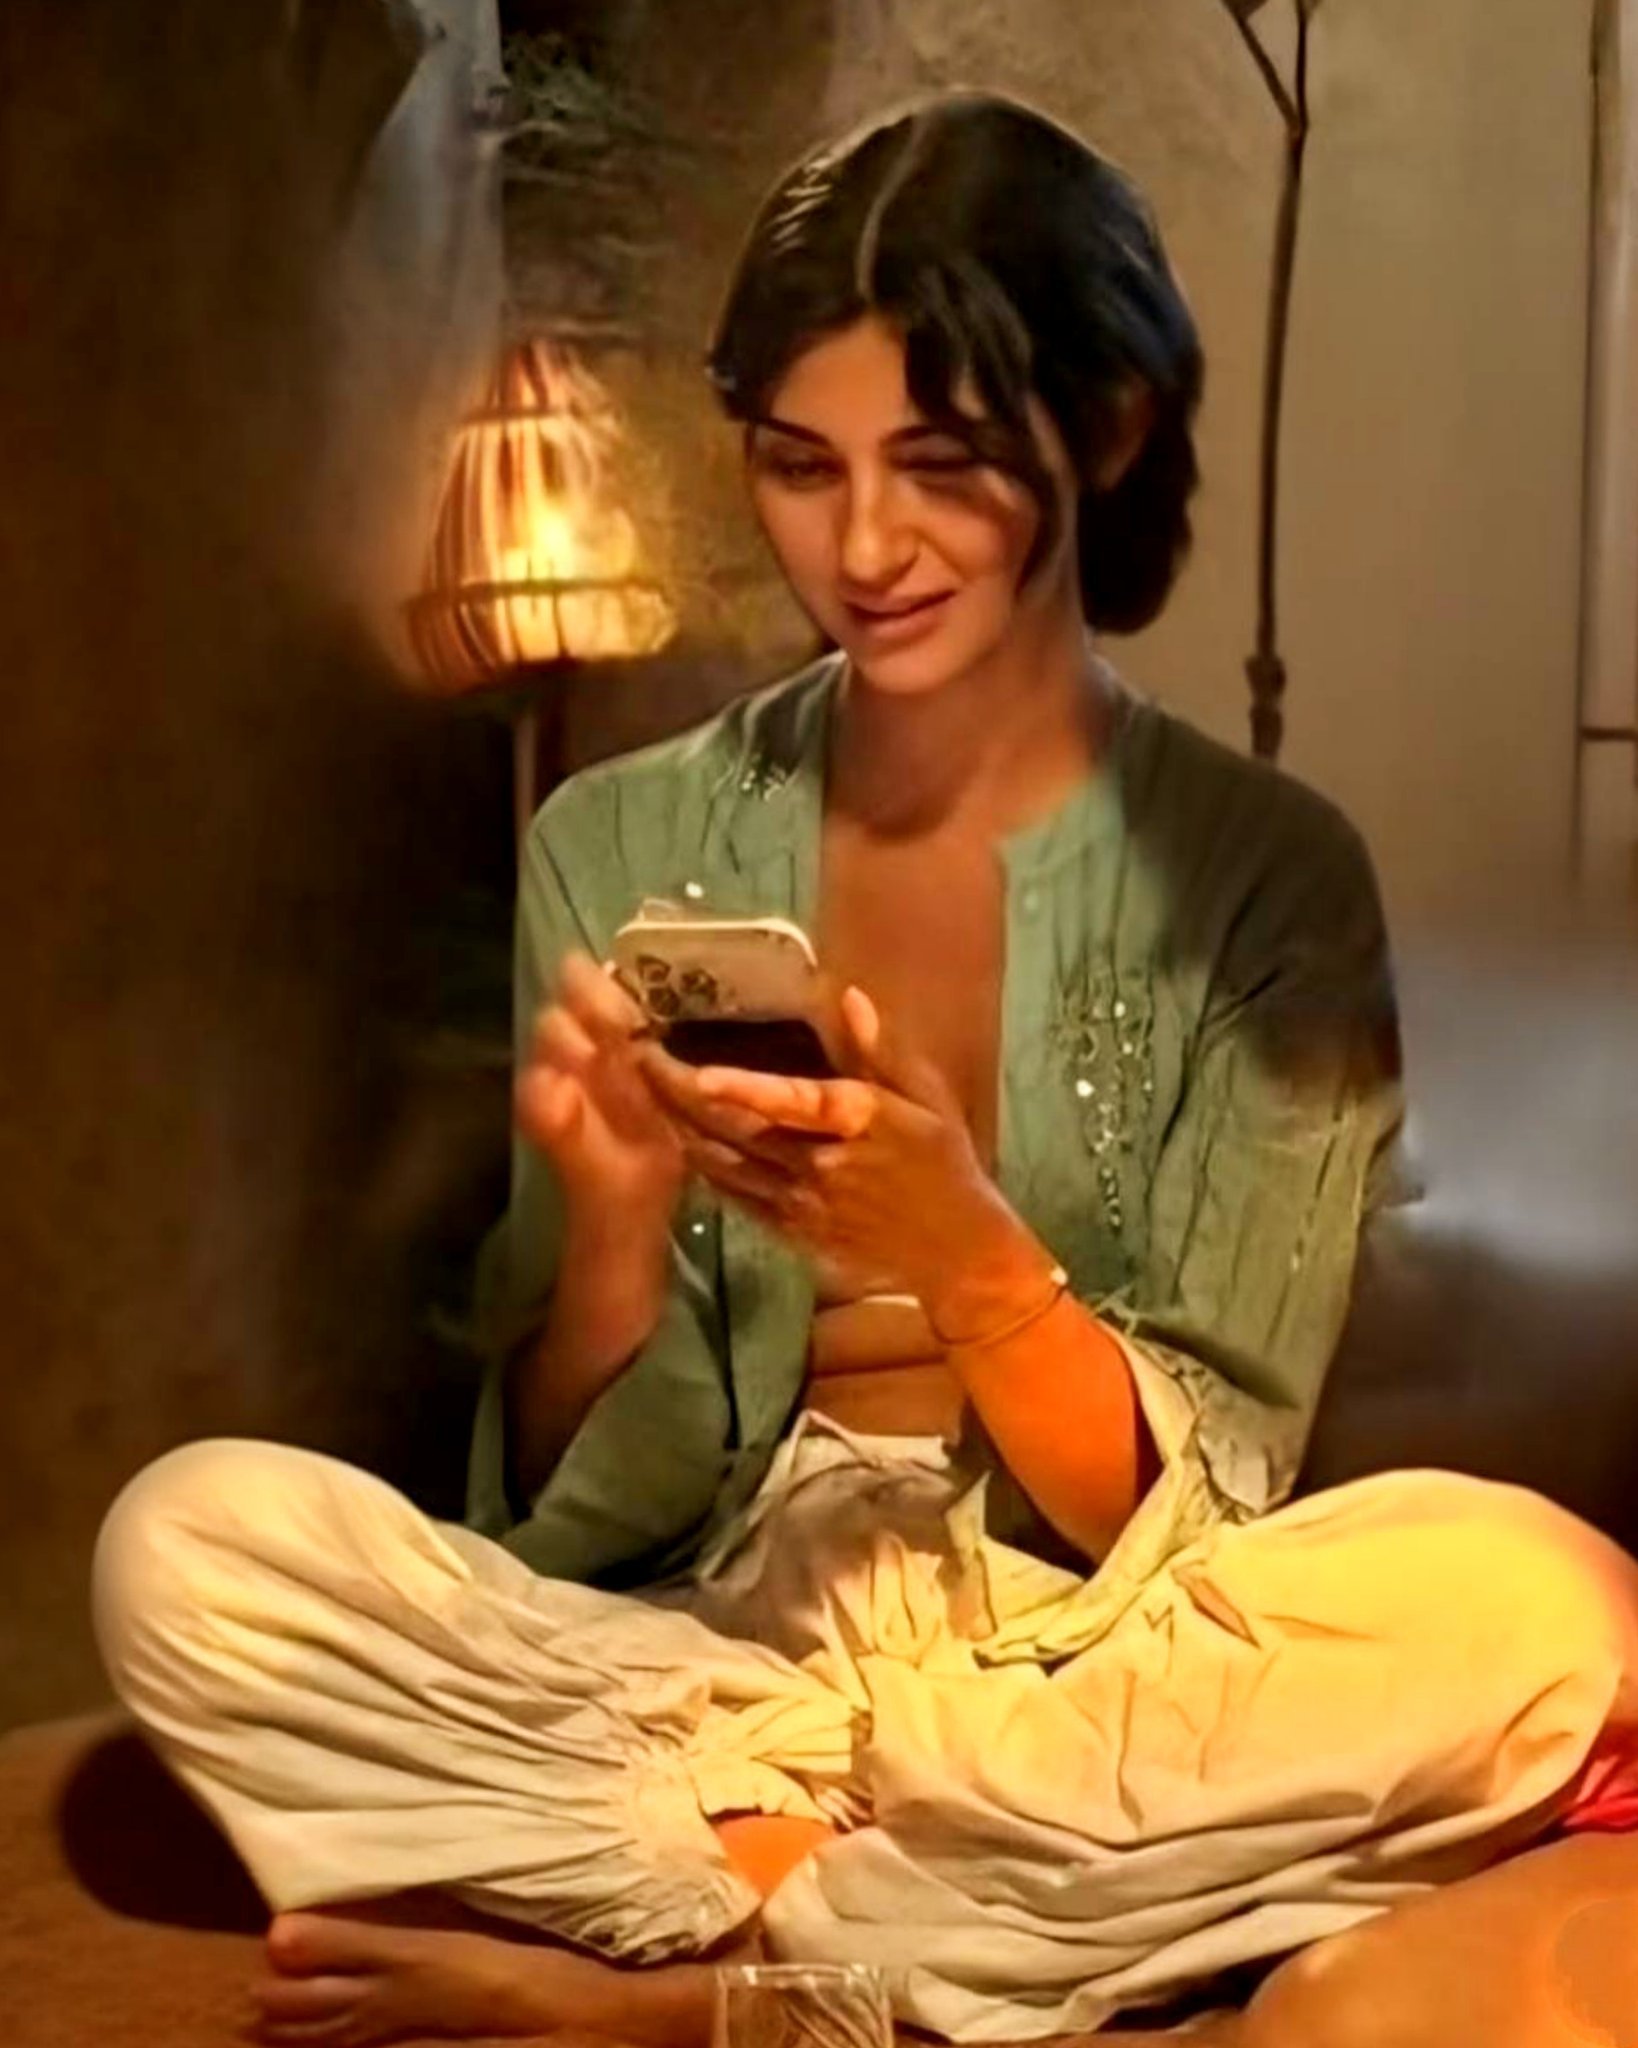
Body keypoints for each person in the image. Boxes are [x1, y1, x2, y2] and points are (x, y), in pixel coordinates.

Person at [91, 91, 1638, 2047]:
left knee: (1536, 1608)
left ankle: (704, 1988)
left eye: (941, 462)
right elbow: (576, 1521)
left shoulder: (1268, 879)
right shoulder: (619, 838)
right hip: (710, 1651)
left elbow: (1202, 1500)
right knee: (188, 1547)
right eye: (800, 465)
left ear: (1105, 430)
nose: (865, 546)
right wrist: (615, 1249)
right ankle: (926, 1902)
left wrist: (963, 1249)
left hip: (1091, 1656)